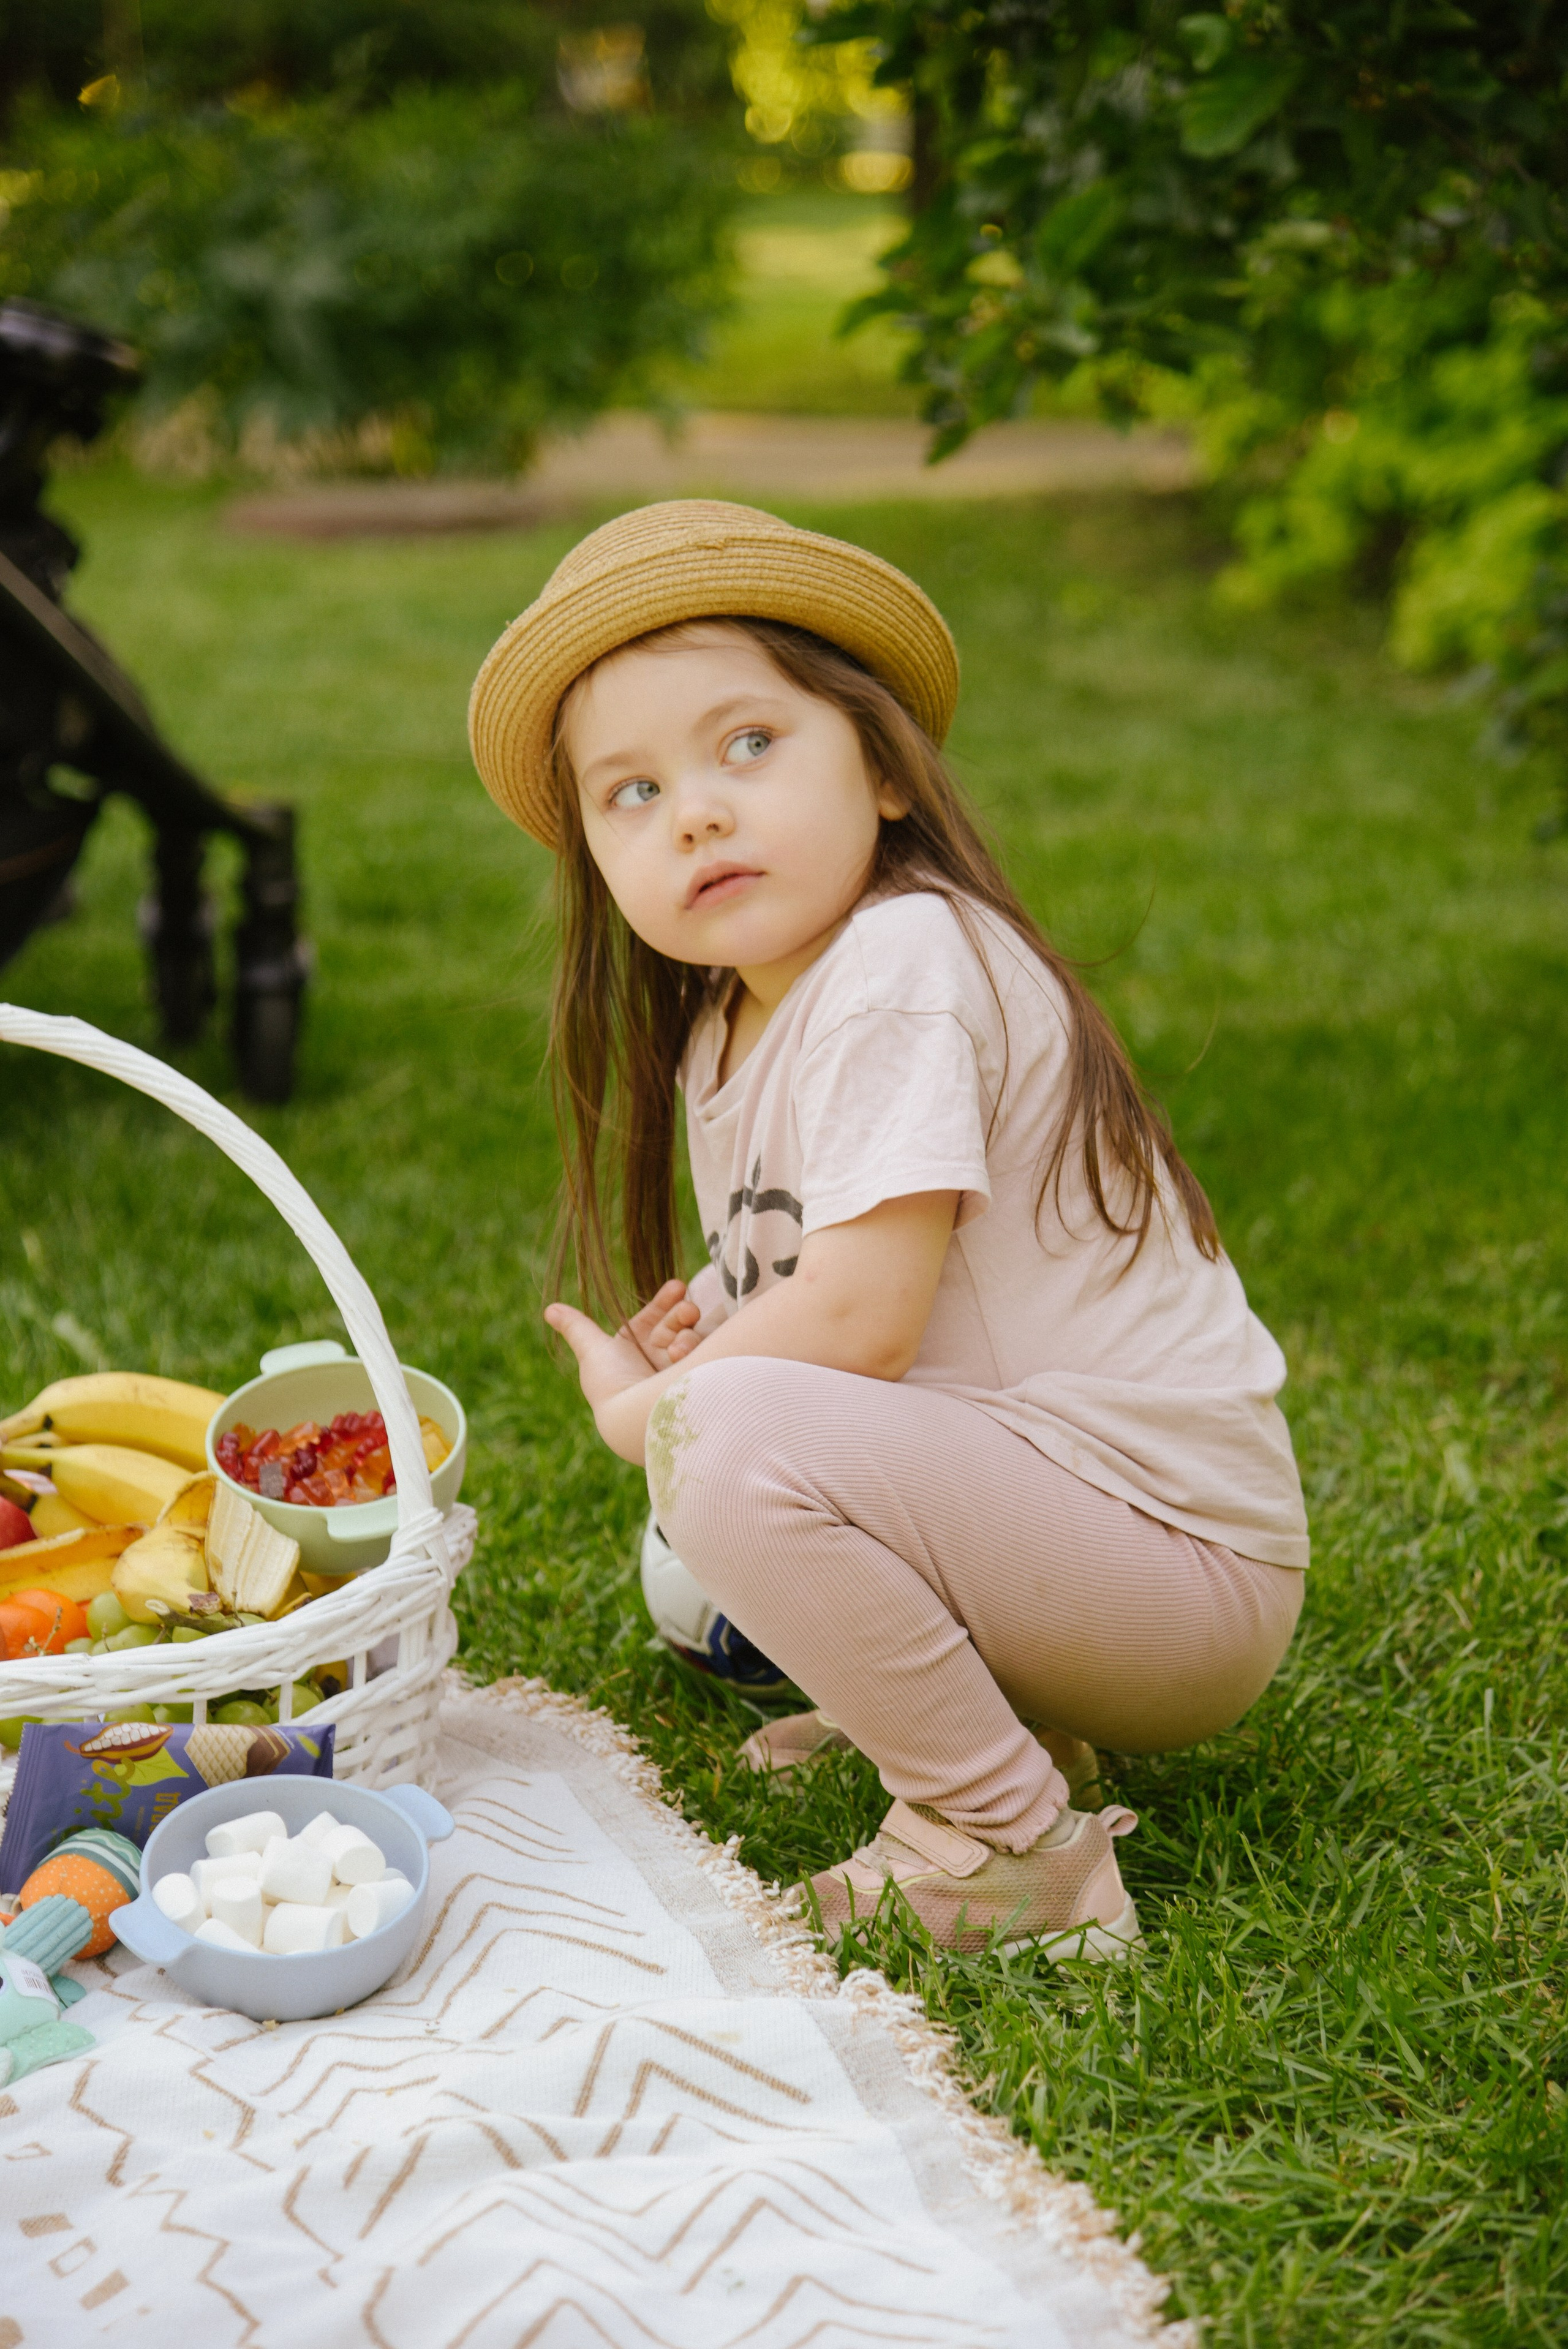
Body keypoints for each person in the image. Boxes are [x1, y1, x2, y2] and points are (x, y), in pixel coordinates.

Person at [468, 500, 1309, 1959]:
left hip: (1176, 1567)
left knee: (711, 1449)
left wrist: (659, 1405)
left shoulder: (903, 962)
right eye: (631, 792)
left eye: (747, 744)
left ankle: (1004, 1840)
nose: (698, 811)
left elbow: (862, 1324)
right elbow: (850, 1309)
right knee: (715, 1455)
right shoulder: (726, 1032)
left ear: (886, 768)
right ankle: (980, 1731)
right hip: (1075, 1551)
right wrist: (730, 1340)